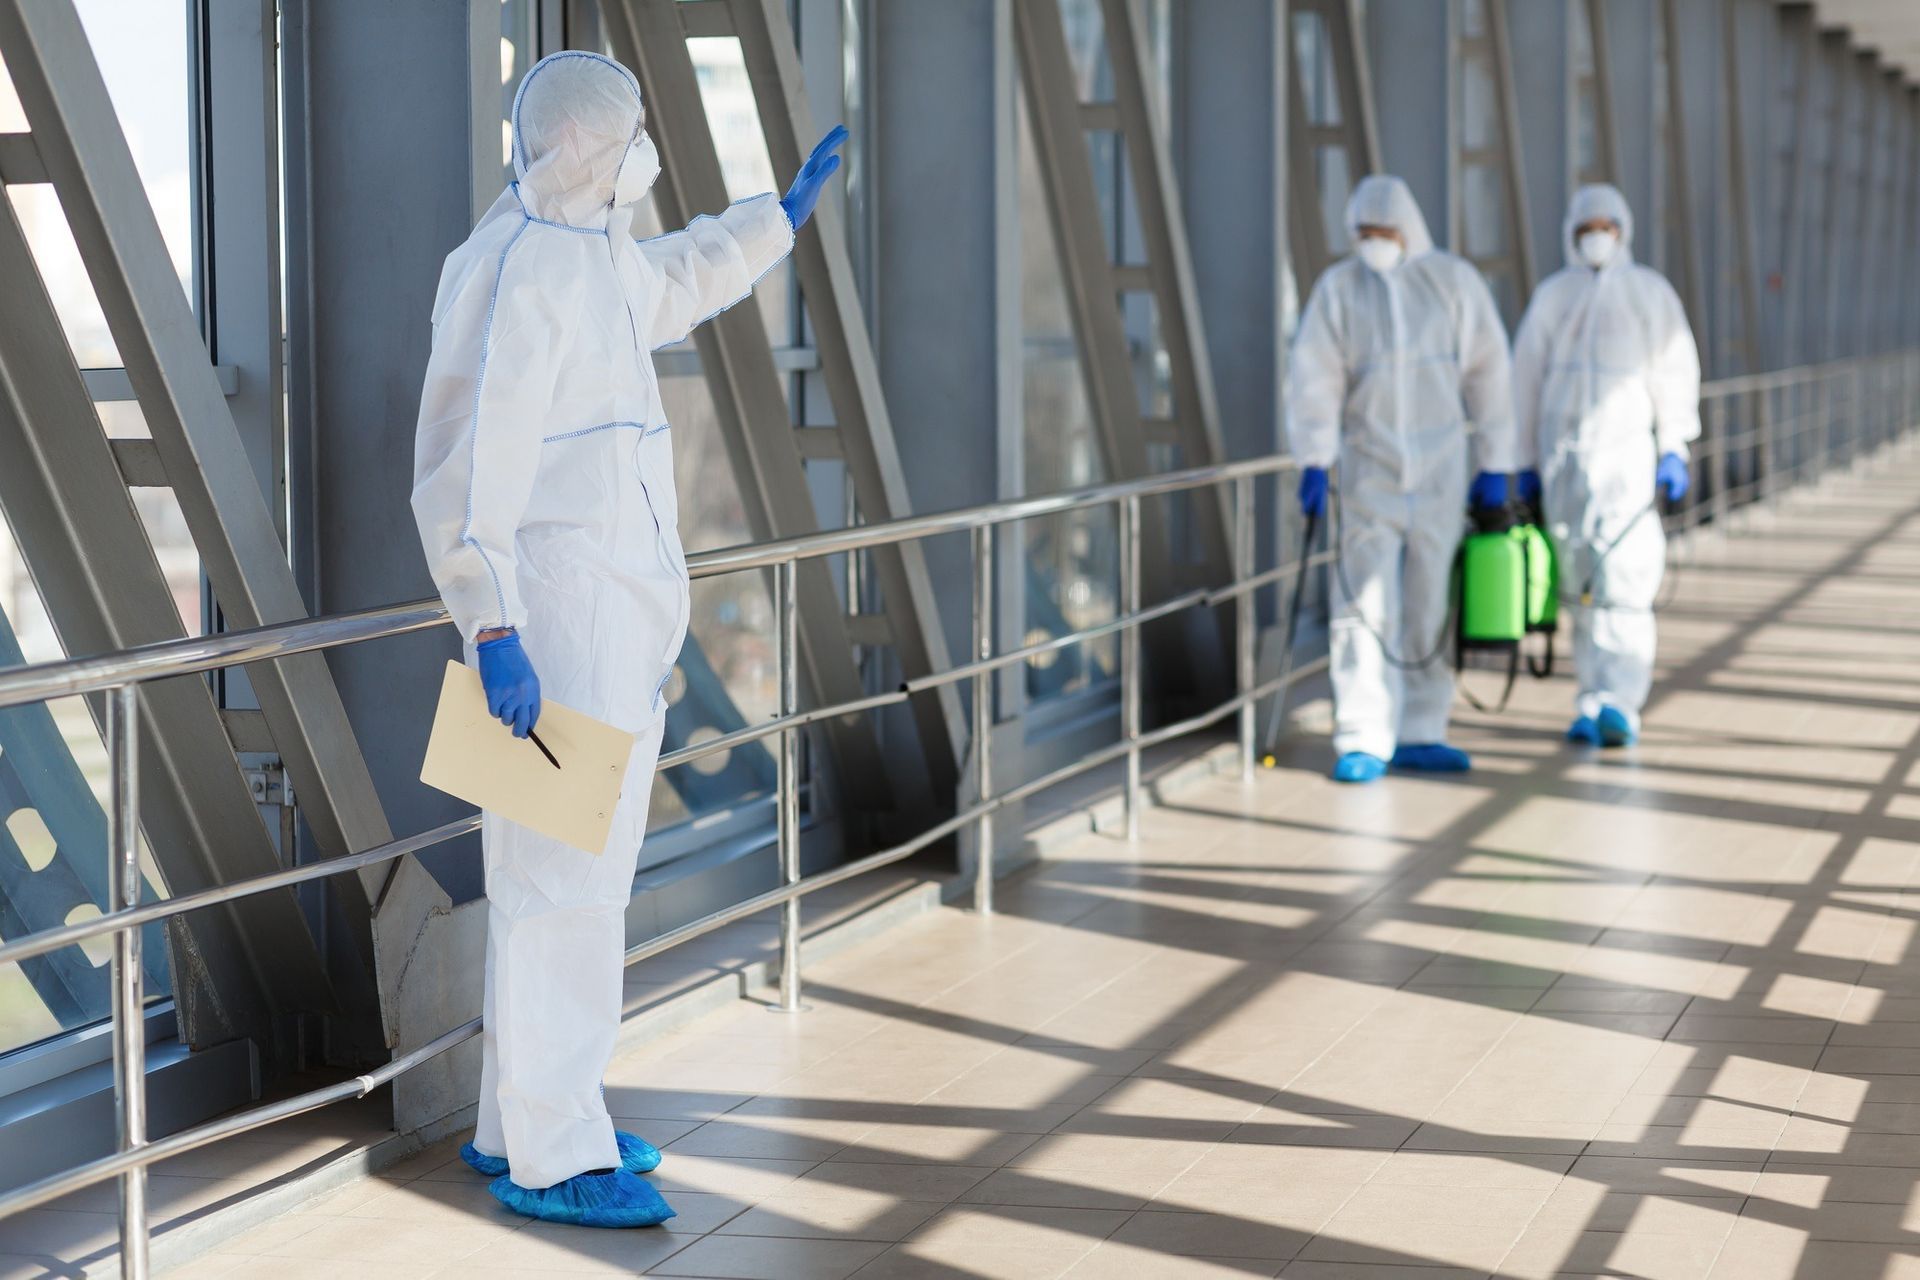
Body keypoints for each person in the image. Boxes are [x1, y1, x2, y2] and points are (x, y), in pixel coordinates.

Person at [410, 50, 845, 1228]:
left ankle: (521, 1121)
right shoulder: (519, 271)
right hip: (556, 625)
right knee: (565, 892)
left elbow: (671, 280)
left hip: (602, 620)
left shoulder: (586, 248)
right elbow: (466, 469)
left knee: (551, 885)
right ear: (583, 147)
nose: (644, 152)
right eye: (630, 134)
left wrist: (772, 223)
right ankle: (559, 1152)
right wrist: (492, 621)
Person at [1286, 175, 1515, 784]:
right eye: (1364, 233)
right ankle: (1362, 734)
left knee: (1429, 601)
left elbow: (1490, 372)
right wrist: (1315, 456)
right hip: (1370, 471)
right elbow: (1314, 376)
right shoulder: (1340, 290)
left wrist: (1496, 462)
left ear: (1408, 229)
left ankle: (1422, 728)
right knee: (1361, 604)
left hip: (1441, 470)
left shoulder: (1452, 283)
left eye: (1384, 232)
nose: (1375, 243)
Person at [1511, 183, 1698, 749]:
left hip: (1627, 462)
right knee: (1577, 585)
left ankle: (1622, 701)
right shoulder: (1553, 296)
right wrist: (1520, 461)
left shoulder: (1649, 293)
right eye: (1587, 229)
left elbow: (1674, 372)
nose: (1596, 237)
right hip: (1563, 464)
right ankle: (1590, 700)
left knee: (1625, 578)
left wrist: (1674, 445)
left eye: (1605, 228)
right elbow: (1525, 381)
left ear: (1623, 230)